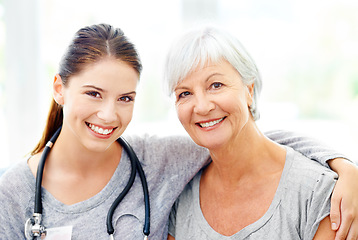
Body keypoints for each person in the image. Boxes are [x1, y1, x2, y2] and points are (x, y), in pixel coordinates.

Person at [0, 23, 356, 240]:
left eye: (125, 98)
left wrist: (344, 166)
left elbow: (246, 140)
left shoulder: (157, 161)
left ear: (249, 89)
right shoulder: (13, 193)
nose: (108, 115)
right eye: (93, 94)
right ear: (59, 89)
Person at [165, 26, 358, 240]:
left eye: (216, 85)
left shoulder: (318, 193)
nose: (201, 107)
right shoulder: (181, 197)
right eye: (185, 93)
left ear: (249, 90)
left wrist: (347, 167)